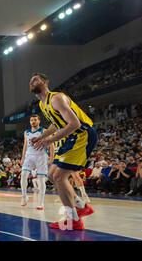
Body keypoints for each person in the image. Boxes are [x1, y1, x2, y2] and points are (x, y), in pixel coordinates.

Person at [29, 73, 98, 230]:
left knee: (60, 176)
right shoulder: (42, 104)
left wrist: (48, 141)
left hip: (82, 134)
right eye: (31, 80)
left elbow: (74, 123)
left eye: (36, 79)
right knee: (52, 175)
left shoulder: (56, 98)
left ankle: (73, 219)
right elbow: (56, 124)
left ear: (46, 82)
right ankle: (81, 206)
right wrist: (42, 136)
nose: (32, 81)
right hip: (71, 137)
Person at [20, 114, 54, 210]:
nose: (33, 122)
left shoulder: (44, 131)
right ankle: (24, 196)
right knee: (23, 175)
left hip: (41, 156)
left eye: (35, 120)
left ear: (39, 121)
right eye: (31, 120)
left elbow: (51, 144)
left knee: (41, 179)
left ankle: (41, 202)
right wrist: (22, 157)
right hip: (29, 156)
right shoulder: (26, 132)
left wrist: (51, 157)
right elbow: (25, 145)